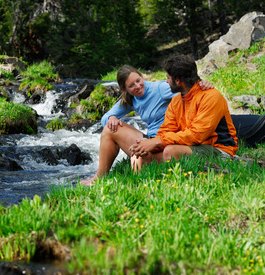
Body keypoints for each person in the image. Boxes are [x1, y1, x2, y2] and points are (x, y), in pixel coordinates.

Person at [80, 64, 213, 186]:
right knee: (110, 128)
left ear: (142, 76)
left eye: (138, 81)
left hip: (168, 140)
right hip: (150, 140)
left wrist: (201, 84)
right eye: (131, 86)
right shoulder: (131, 98)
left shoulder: (159, 89)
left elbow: (186, 87)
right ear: (124, 89)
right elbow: (105, 119)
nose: (137, 86)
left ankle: (145, 166)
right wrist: (112, 118)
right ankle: (100, 176)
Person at [129, 55, 238, 171]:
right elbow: (166, 130)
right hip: (190, 147)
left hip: (219, 150)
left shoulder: (211, 97)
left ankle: (180, 182)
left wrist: (158, 142)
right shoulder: (176, 101)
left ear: (178, 80)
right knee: (143, 156)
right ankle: (143, 185)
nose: (166, 81)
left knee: (171, 151)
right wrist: (148, 144)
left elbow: (196, 135)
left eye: (168, 78)